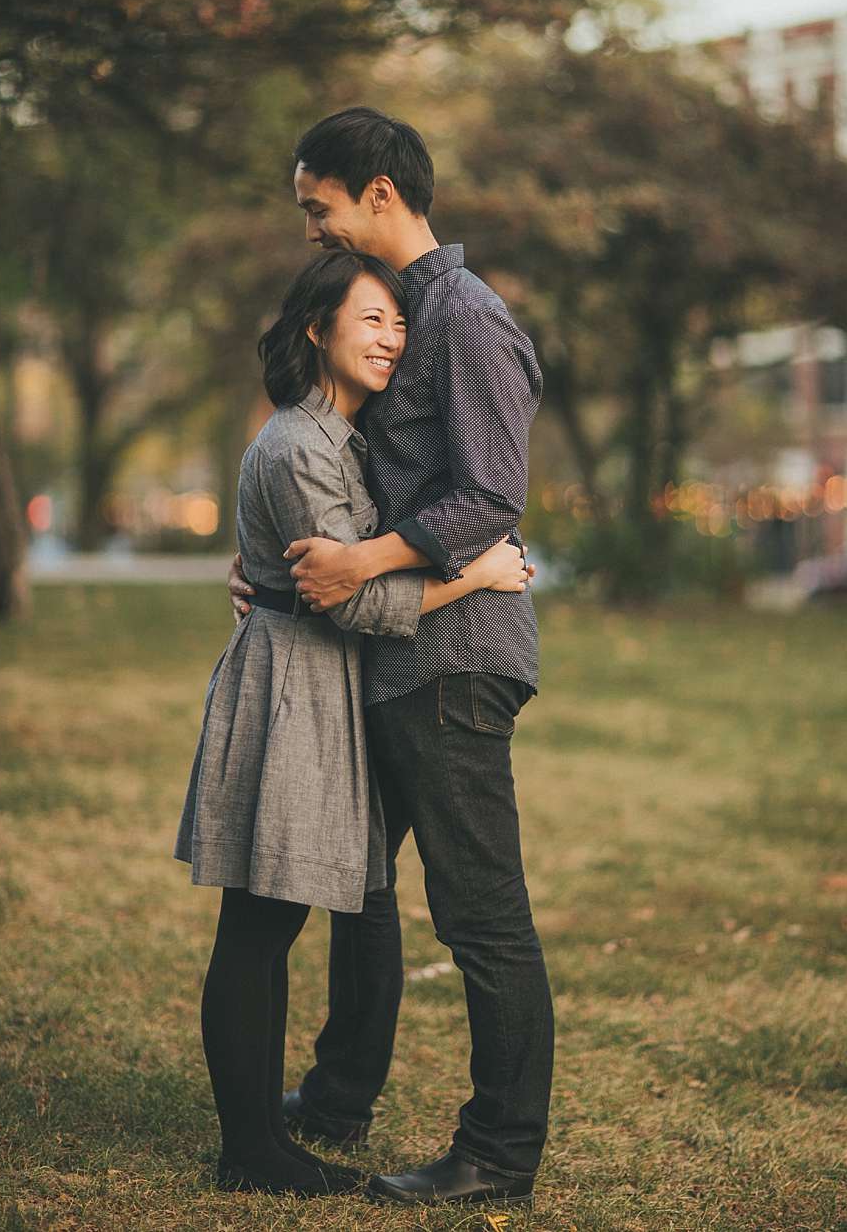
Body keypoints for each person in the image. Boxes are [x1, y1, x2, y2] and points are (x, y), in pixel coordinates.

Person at [231, 108, 552, 1207]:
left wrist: (360, 557)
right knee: (359, 891)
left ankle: (500, 1152)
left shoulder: (465, 317)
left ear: (376, 192)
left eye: (318, 205)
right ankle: (333, 1099)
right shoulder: (399, 317)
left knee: (480, 912)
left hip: (456, 655)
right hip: (387, 656)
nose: (314, 228)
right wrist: (281, 578)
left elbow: (491, 493)